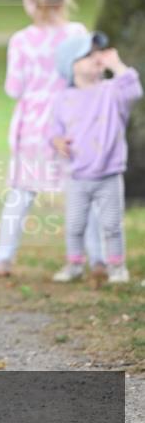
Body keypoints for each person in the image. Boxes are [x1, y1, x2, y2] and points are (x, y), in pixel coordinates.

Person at [0, 0, 103, 276]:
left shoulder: (22, 41)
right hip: (72, 126)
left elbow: (14, 88)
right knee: (80, 194)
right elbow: (91, 80)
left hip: (34, 129)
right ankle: (96, 259)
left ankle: (3, 259)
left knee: (21, 194)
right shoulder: (78, 35)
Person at [50, 34, 142, 284]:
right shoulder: (63, 99)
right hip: (78, 176)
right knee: (75, 225)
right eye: (88, 55)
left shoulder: (111, 92)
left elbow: (134, 89)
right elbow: (55, 130)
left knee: (112, 224)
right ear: (72, 65)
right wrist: (58, 142)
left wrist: (117, 65)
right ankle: (74, 264)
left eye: (98, 52)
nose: (97, 58)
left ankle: (117, 267)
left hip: (109, 173)